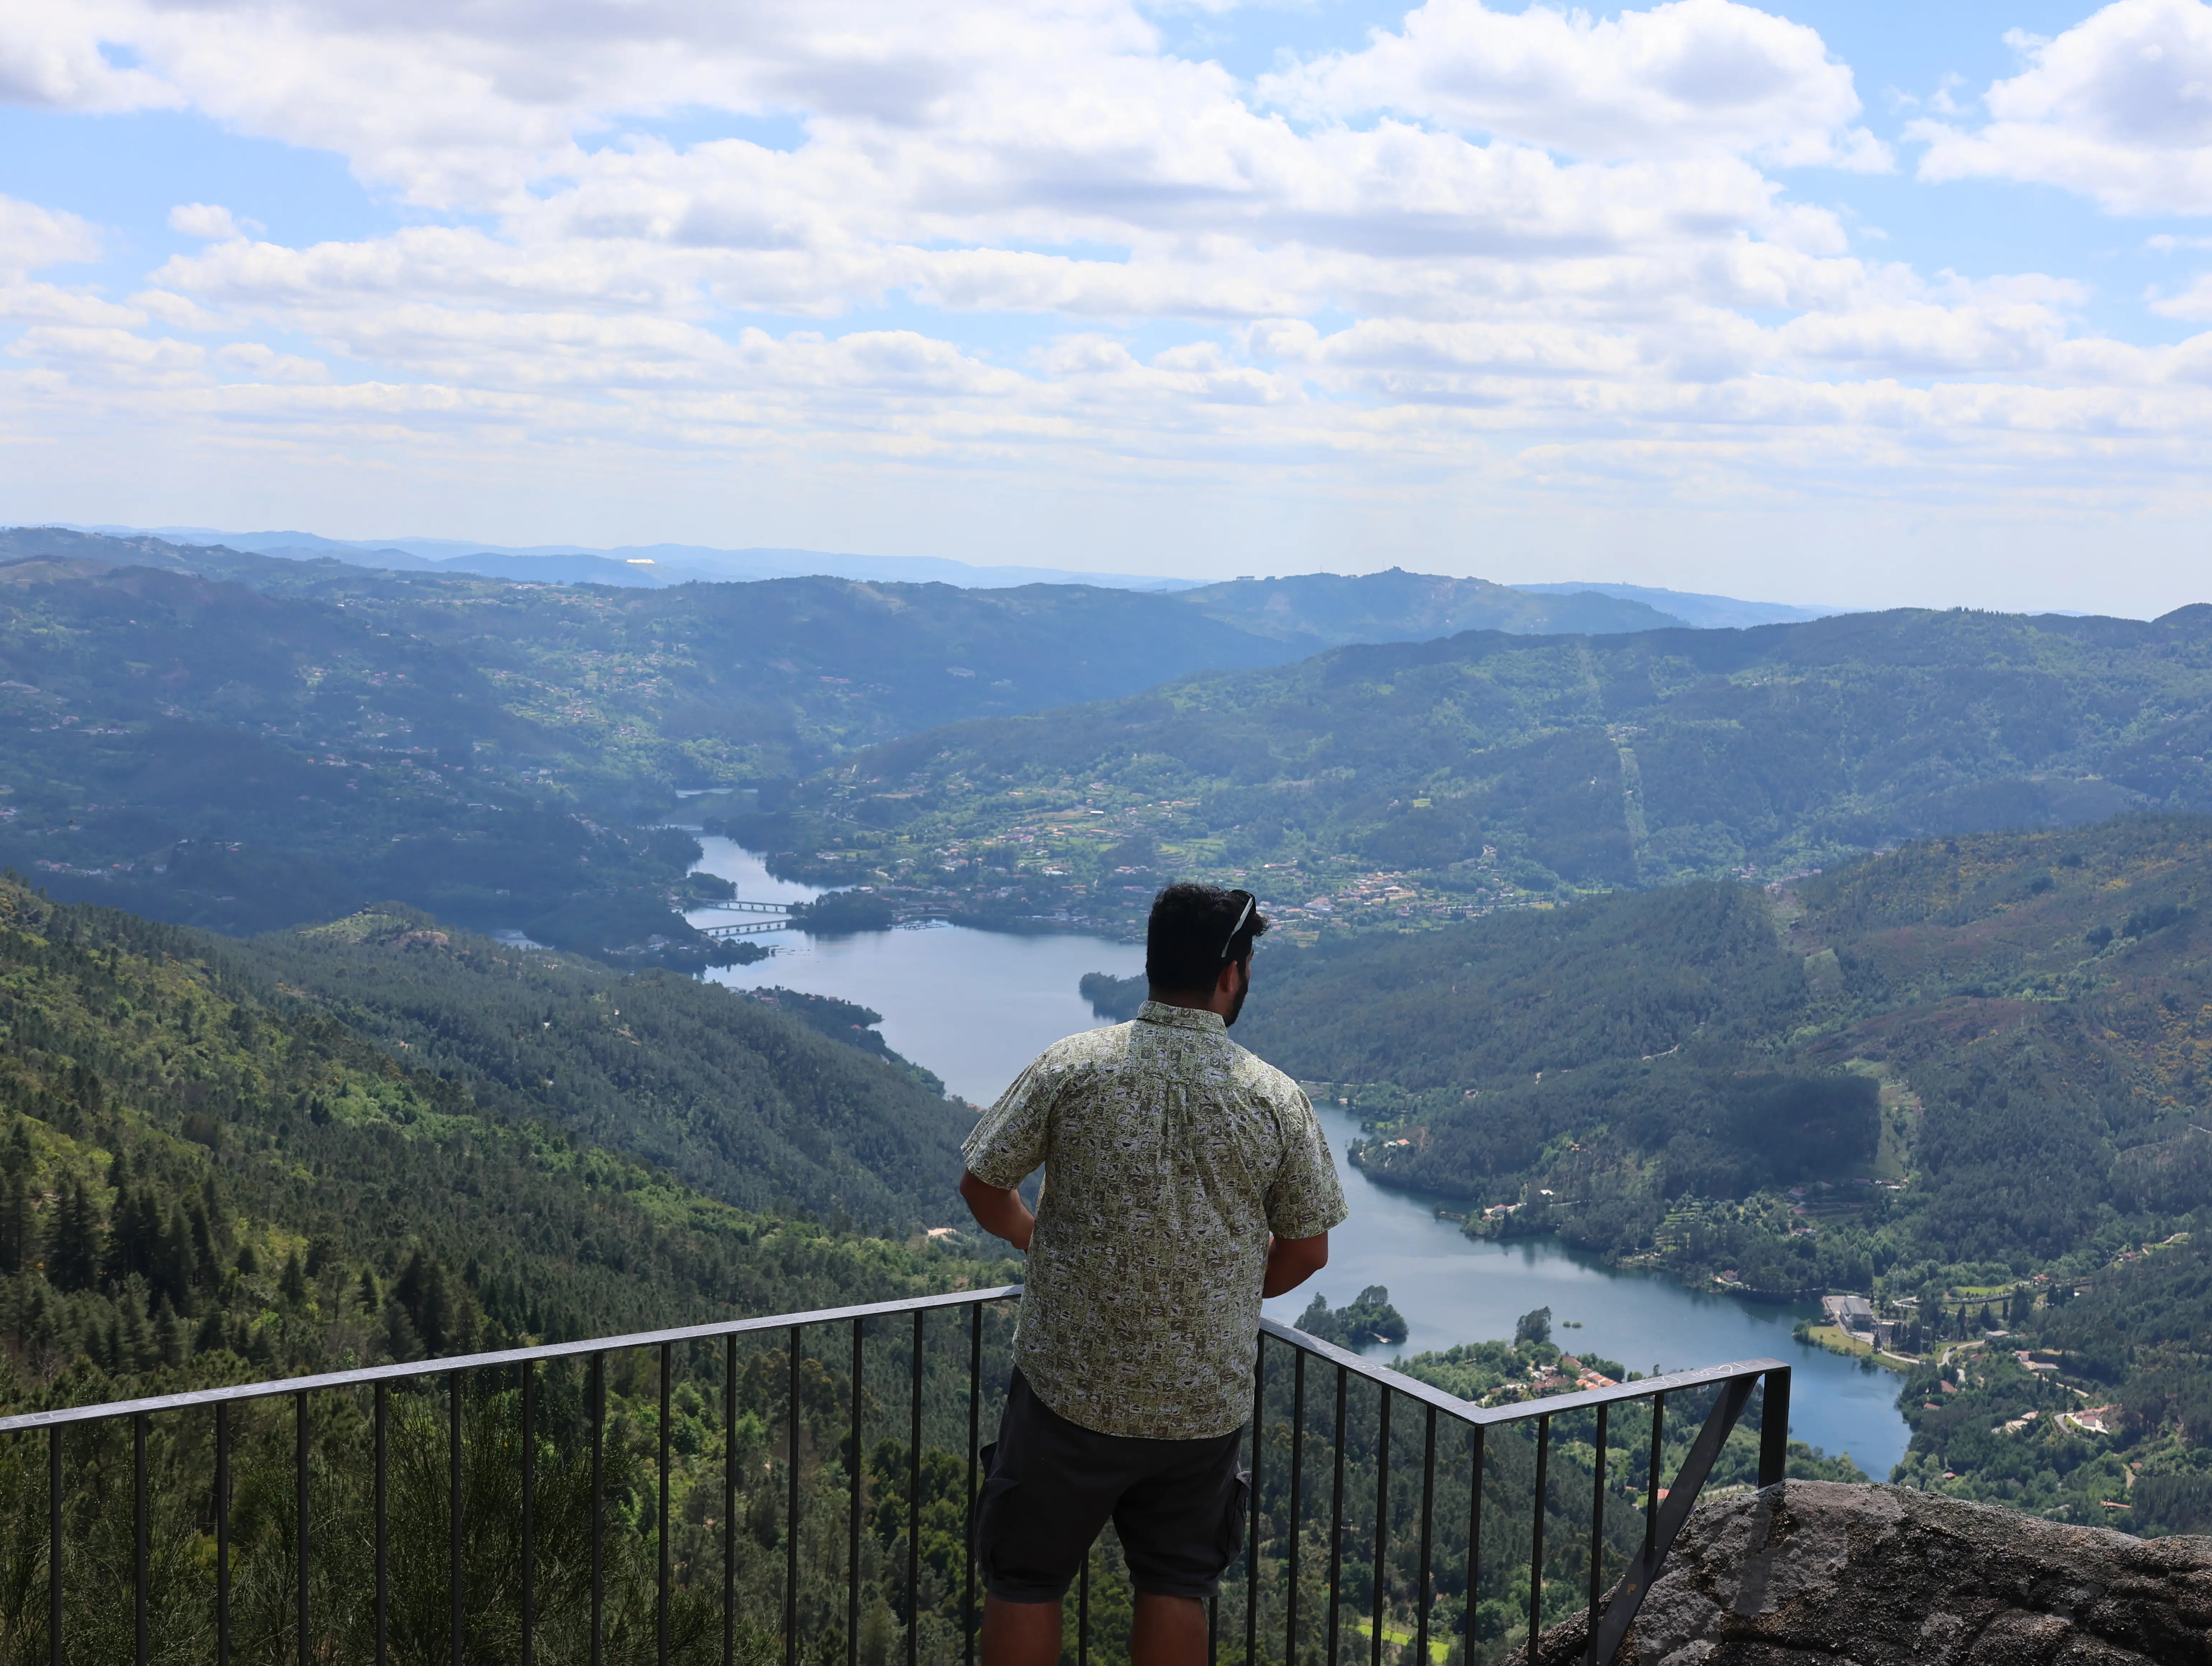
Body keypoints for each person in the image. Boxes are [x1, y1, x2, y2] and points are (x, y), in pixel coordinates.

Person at [958, 883, 1347, 1666]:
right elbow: (1307, 1250)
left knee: (1027, 1577)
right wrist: (1225, 1293)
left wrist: (1038, 1244)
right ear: (1231, 975)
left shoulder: (1073, 1068)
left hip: (1068, 1387)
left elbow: (981, 1183)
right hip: (1199, 1407)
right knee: (1175, 1583)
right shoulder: (1274, 1099)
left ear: (1150, 962)